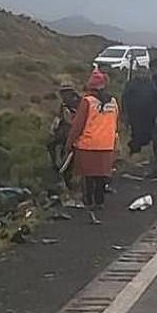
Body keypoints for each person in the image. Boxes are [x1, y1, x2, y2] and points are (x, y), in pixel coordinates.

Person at [65, 69, 119, 224]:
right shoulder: (113, 102)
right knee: (101, 175)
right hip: (106, 144)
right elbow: (116, 121)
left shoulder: (87, 101)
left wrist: (70, 143)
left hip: (88, 144)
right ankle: (99, 201)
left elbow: (78, 125)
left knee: (88, 176)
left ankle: (89, 202)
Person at [47, 83, 81, 199]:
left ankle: (68, 179)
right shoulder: (64, 105)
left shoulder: (78, 104)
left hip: (74, 134)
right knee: (51, 145)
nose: (62, 96)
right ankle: (57, 168)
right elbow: (60, 118)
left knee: (69, 157)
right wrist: (54, 127)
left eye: (64, 93)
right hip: (65, 132)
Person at [122, 64, 157, 160]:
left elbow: (155, 97)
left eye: (144, 73)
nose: (142, 75)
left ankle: (138, 151)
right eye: (140, 73)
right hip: (134, 114)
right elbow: (125, 98)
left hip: (148, 115)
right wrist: (125, 112)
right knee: (136, 133)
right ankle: (134, 152)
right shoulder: (131, 84)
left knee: (147, 135)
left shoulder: (151, 84)